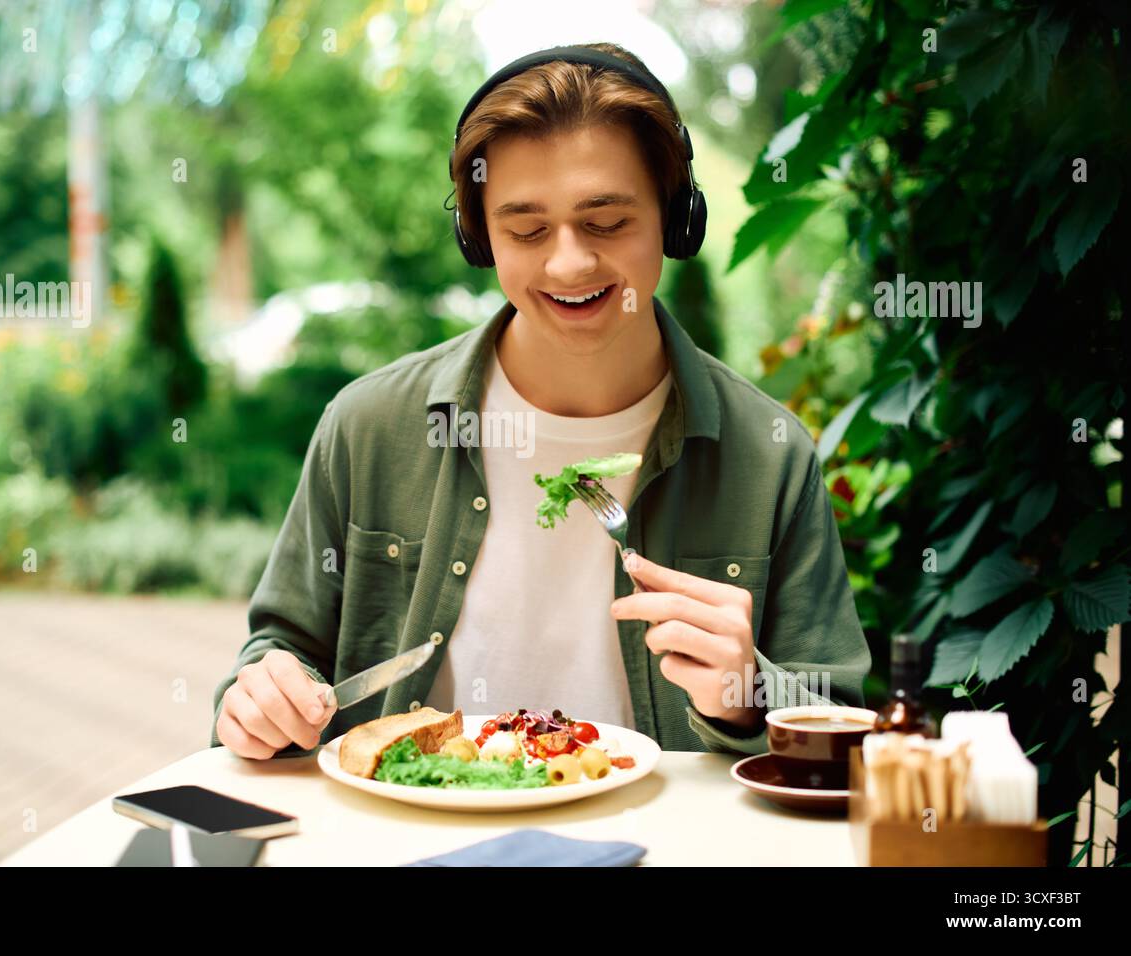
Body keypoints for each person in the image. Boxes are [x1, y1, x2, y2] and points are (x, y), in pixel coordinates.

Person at [211, 42, 871, 760]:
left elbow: (844, 738)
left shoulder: (770, 453)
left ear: (676, 220)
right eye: (526, 230)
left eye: (608, 222)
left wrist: (751, 694)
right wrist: (262, 699)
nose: (569, 262)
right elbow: (278, 653)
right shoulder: (367, 427)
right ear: (479, 237)